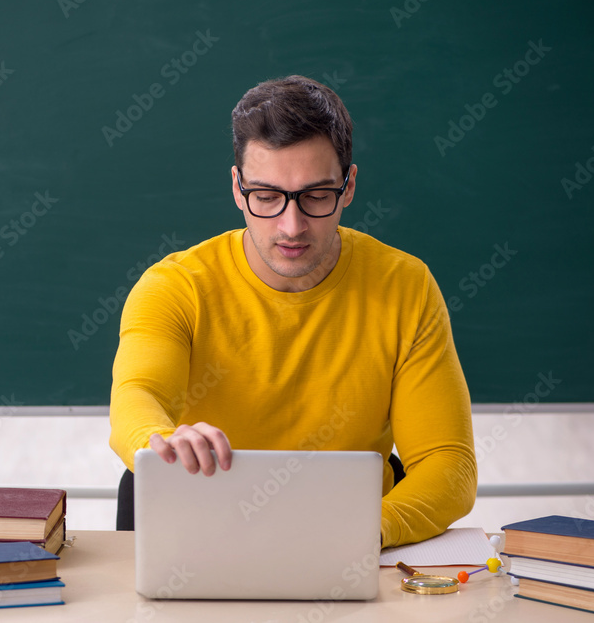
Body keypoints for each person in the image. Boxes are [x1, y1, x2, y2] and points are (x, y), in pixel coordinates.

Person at [109, 74, 476, 548]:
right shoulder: (175, 287)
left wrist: (368, 529)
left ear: (348, 187)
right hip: (202, 539)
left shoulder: (406, 287)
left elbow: (449, 464)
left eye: (316, 196)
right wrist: (160, 442)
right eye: (266, 197)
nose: (291, 226)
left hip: (352, 545)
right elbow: (136, 397)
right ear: (238, 189)